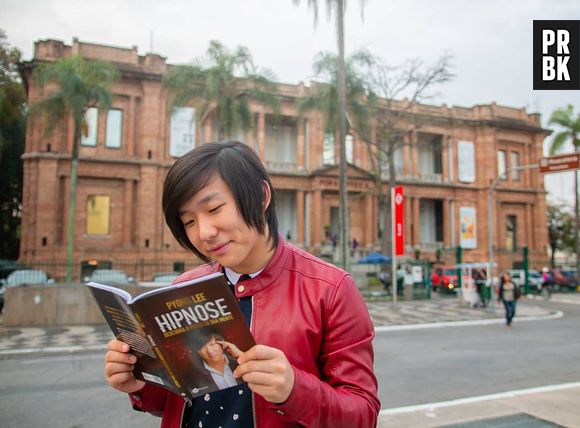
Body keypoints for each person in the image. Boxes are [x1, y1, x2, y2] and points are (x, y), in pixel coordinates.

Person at [104, 141, 380, 428]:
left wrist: (294, 390)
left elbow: (362, 415)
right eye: (188, 221)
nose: (204, 233)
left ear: (261, 196)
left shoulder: (330, 289)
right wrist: (138, 384)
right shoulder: (183, 289)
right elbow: (177, 401)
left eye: (214, 208)